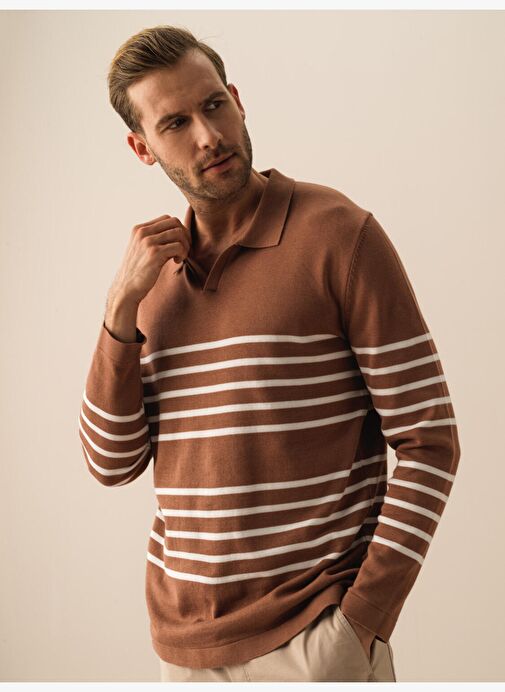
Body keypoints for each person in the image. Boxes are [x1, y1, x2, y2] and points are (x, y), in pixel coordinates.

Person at [78, 24, 461, 682]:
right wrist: (119, 311)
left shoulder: (338, 235)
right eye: (176, 123)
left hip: (315, 640)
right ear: (142, 147)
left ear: (236, 99)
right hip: (185, 652)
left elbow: (430, 440)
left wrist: (362, 621)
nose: (208, 135)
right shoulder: (150, 281)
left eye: (213, 105)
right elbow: (111, 463)